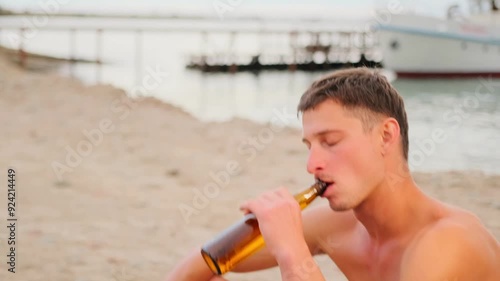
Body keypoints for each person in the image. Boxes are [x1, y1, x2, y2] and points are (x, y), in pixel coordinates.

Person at [165, 67, 500, 281]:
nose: (312, 164)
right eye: (309, 145)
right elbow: (207, 261)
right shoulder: (341, 227)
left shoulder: (447, 242)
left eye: (330, 142)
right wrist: (267, 228)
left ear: (386, 136)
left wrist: (291, 249)